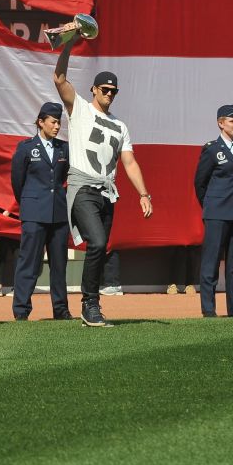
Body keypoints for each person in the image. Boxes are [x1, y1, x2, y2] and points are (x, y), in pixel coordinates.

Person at [54, 37, 153, 327]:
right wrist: (69, 43)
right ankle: (89, 304)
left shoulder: (120, 125)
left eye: (114, 90)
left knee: (102, 246)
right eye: (105, 89)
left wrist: (144, 194)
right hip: (83, 185)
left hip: (107, 191)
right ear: (94, 89)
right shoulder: (80, 109)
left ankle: (92, 306)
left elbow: (129, 162)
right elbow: (59, 78)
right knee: (96, 242)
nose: (109, 94)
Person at [9, 101, 73, 321]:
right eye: (53, 122)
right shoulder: (26, 148)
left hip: (58, 214)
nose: (57, 126)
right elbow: (18, 181)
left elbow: (63, 178)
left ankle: (61, 309)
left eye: (59, 122)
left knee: (59, 264)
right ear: (41, 122)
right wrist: (30, 202)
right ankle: (21, 310)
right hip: (34, 213)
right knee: (29, 262)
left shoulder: (64, 148)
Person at [193, 105, 233, 318]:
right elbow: (200, 183)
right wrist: (210, 205)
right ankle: (209, 309)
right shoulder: (211, 148)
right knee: (211, 263)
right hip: (217, 213)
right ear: (220, 123)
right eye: (232, 121)